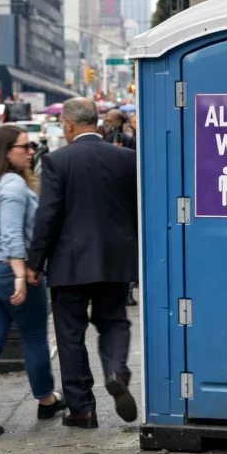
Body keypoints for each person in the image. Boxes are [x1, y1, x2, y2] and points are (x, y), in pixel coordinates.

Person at [27, 97, 139, 428]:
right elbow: (137, 209)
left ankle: (82, 408)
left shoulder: (57, 161)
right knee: (114, 321)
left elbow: (48, 215)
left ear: (70, 125)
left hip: (70, 262)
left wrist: (34, 261)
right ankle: (116, 369)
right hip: (116, 259)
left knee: (70, 334)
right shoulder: (126, 157)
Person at [0, 124, 66, 444]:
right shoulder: (12, 185)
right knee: (34, 336)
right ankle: (47, 400)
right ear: (6, 151)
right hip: (10, 270)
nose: (31, 151)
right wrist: (23, 275)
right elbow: (10, 235)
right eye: (25, 146)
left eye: (31, 145)